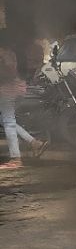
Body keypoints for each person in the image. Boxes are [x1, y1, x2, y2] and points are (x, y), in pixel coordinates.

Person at [0, 33, 46, 170]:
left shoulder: (4, 54)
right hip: (17, 88)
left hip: (8, 90)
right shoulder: (10, 53)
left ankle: (16, 159)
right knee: (5, 120)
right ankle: (34, 142)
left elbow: (9, 72)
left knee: (8, 122)